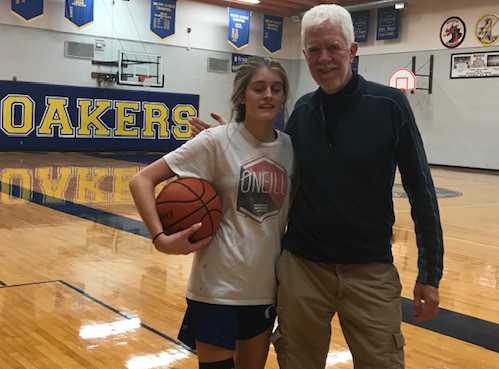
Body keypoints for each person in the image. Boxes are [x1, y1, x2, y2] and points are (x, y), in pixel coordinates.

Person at [189, 4, 444, 369]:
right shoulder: (303, 111)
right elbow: (267, 171)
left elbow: (421, 191)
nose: (324, 58)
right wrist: (227, 140)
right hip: (303, 271)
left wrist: (429, 273)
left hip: (370, 271)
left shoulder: (390, 105)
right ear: (305, 54)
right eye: (314, 50)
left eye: (333, 47)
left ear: (352, 50)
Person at [129, 58, 294, 369]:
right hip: (215, 289)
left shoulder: (290, 148)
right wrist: (160, 238)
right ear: (242, 96)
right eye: (258, 88)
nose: (268, 95)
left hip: (264, 290)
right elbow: (141, 180)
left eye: (276, 89)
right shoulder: (215, 141)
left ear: (284, 97)